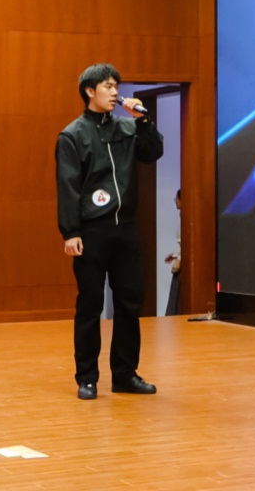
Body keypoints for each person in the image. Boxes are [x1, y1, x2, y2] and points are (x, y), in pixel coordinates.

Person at [56, 63, 164, 400]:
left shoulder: (127, 127)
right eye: (108, 86)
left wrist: (143, 120)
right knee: (90, 305)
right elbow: (68, 187)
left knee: (129, 303)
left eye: (116, 86)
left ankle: (125, 374)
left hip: (126, 229)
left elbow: (153, 152)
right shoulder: (72, 135)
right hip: (91, 232)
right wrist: (71, 232)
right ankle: (87, 377)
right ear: (90, 91)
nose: (115, 92)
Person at [164, 189, 182, 316]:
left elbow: (189, 242)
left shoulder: (189, 216)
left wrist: (179, 259)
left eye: (177, 198)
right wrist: (175, 255)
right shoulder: (182, 216)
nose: (175, 201)